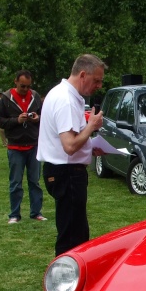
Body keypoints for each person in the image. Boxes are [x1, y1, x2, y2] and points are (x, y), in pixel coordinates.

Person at [37, 54, 105, 256]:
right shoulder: (66, 100)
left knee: (76, 232)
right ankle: (65, 281)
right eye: (97, 80)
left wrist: (90, 146)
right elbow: (69, 145)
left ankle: (70, 279)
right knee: (72, 238)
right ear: (83, 74)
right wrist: (91, 126)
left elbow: (69, 141)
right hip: (67, 174)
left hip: (64, 172)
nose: (99, 85)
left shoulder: (63, 94)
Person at [0, 70, 46, 225]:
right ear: (15, 82)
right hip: (15, 147)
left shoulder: (35, 97)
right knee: (16, 183)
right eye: (22, 86)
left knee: (35, 182)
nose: (25, 89)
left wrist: (38, 118)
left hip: (33, 145)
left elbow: (44, 116)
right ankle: (15, 214)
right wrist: (16, 120)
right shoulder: (6, 99)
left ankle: (36, 212)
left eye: (28, 86)